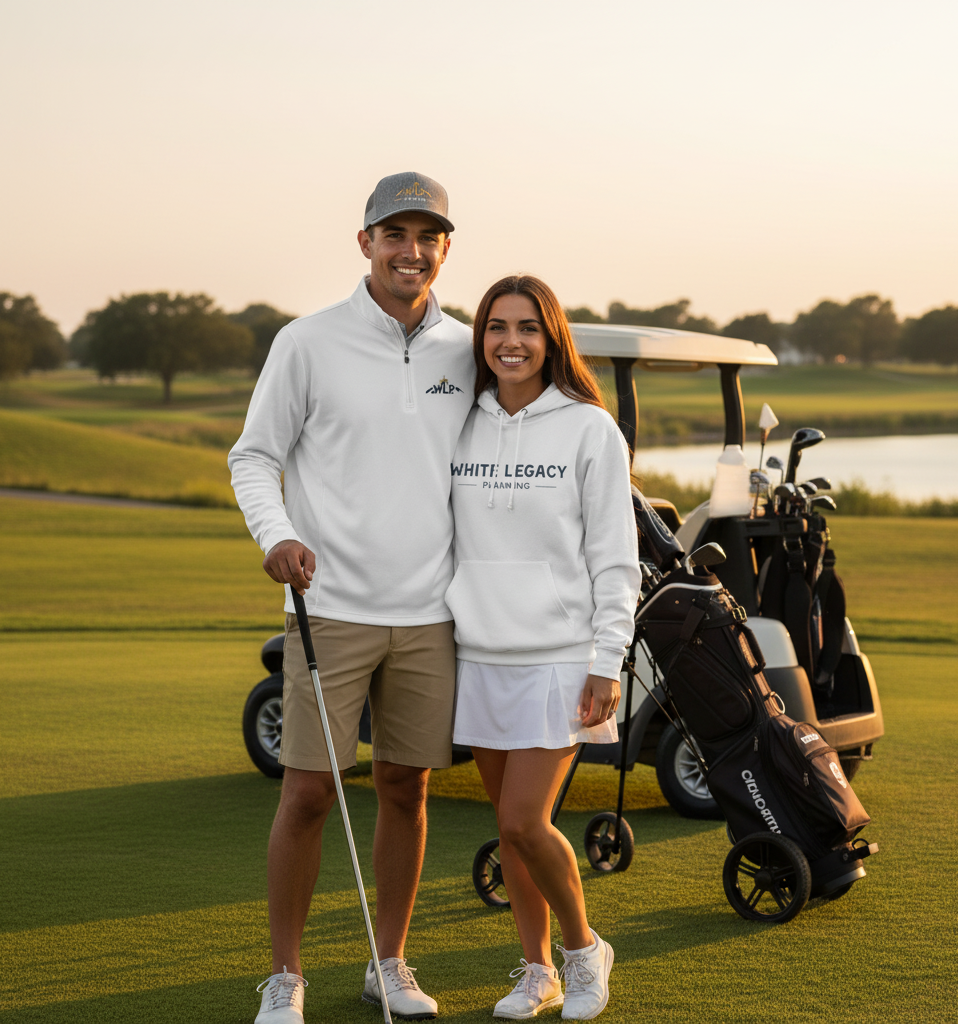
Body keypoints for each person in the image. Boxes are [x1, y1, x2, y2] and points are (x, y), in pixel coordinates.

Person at [229, 172, 475, 1023]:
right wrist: (276, 536)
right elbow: (254, 456)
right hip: (328, 604)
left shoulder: (469, 348)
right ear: (365, 241)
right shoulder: (308, 341)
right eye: (395, 234)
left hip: (432, 614)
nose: (413, 252)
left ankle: (390, 962)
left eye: (429, 237)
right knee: (307, 792)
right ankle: (285, 976)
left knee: (407, 787)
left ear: (446, 247)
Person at [445, 275, 640, 1020]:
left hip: (561, 655)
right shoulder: (459, 423)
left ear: (551, 337)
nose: (511, 342)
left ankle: (584, 951)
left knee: (527, 819)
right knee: (508, 828)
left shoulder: (590, 429)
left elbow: (613, 557)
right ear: (481, 338)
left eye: (528, 327)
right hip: (479, 652)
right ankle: (536, 971)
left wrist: (606, 660)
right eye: (496, 326)